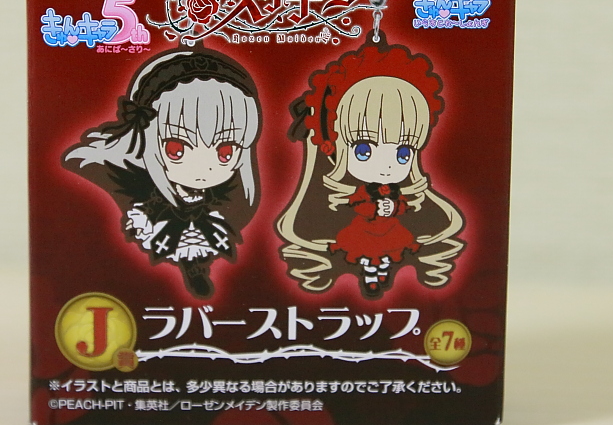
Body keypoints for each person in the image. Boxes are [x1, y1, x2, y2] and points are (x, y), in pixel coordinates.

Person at [63, 48, 261, 298]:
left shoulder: (229, 196)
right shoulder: (127, 183)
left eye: (225, 151)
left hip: (199, 218)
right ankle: (192, 270)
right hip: (165, 217)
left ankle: (197, 270)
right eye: (177, 149)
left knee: (198, 245)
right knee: (176, 244)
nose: (204, 167)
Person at [277, 41, 464, 299]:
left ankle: (379, 268)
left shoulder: (401, 193)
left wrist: (393, 207)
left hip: (390, 230)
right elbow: (357, 202)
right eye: (364, 149)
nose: (387, 166)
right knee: (363, 248)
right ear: (334, 145)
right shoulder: (342, 196)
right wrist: (373, 208)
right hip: (361, 230)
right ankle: (371, 269)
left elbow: (404, 206)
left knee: (392, 247)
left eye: (403, 153)